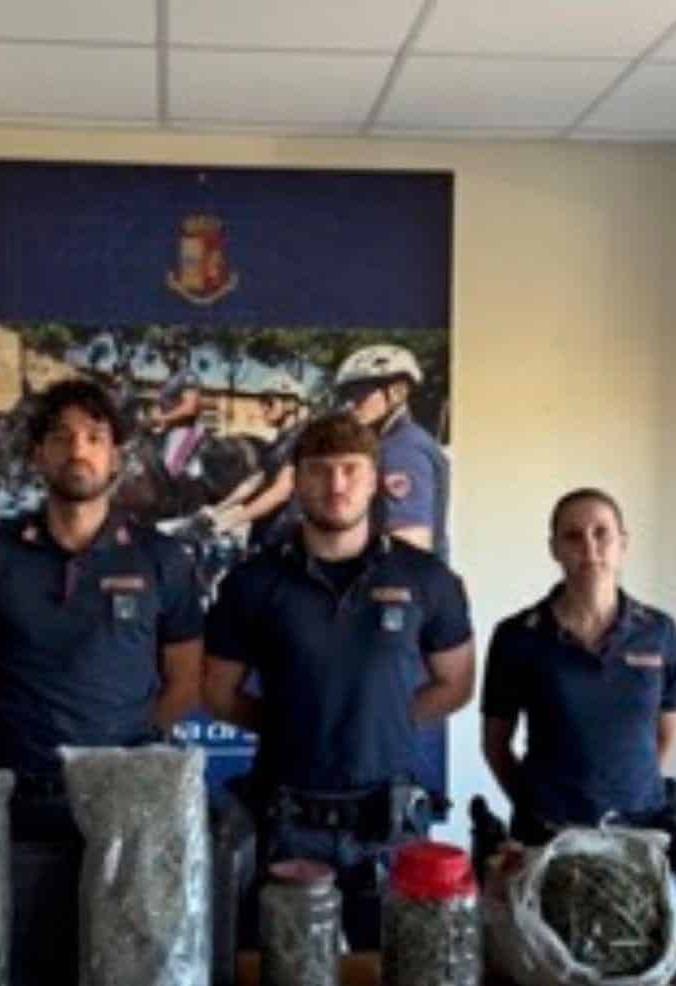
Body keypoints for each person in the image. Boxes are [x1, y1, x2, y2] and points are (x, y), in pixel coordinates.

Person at [203, 412, 475, 948]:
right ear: (297, 481)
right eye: (319, 470)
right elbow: (216, 692)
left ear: (374, 480)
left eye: (351, 469)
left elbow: (457, 684)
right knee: (283, 983)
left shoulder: (428, 579)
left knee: (396, 981)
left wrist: (380, 717)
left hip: (389, 828)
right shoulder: (251, 583)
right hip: (285, 826)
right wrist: (297, 721)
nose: (336, 484)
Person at [0, 377, 203, 841]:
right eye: (61, 437)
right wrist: (18, 741)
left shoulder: (163, 559)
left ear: (115, 457)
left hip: (126, 803)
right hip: (19, 803)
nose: (78, 450)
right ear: (38, 455)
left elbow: (186, 683)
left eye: (95, 438)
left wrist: (129, 750)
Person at [480, 488, 676, 856]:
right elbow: (496, 747)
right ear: (555, 549)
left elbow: (664, 738)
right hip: (548, 840)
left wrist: (626, 798)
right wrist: (535, 808)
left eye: (601, 533)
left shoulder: (659, 632)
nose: (589, 548)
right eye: (573, 536)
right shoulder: (517, 636)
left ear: (623, 544)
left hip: (638, 838)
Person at [333, 343, 450, 560]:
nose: (350, 405)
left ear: (397, 392)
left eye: (360, 393)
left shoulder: (402, 450)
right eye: (347, 395)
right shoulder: (393, 441)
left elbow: (410, 549)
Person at [201, 370, 310, 550]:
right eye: (262, 402)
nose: (263, 408)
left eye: (269, 402)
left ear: (290, 405)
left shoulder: (303, 439)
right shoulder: (276, 443)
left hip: (287, 536)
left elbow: (280, 492)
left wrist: (231, 520)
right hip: (266, 531)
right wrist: (218, 509)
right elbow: (254, 481)